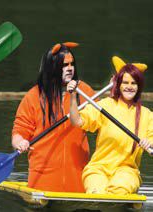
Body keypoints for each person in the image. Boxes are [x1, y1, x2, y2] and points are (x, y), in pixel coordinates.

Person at [11, 42, 96, 192]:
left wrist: (116, 89)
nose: (70, 68)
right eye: (64, 65)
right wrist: (20, 142)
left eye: (72, 64)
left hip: (77, 179)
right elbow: (20, 130)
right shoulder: (34, 96)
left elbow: (102, 118)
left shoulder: (84, 91)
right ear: (52, 67)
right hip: (43, 180)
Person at [67, 56, 151, 195]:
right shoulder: (104, 105)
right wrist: (73, 95)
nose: (129, 86)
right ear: (118, 84)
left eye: (134, 83)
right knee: (97, 192)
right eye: (125, 82)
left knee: (119, 189)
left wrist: (149, 144)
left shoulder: (147, 115)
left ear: (139, 86)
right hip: (98, 169)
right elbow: (77, 121)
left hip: (127, 171)